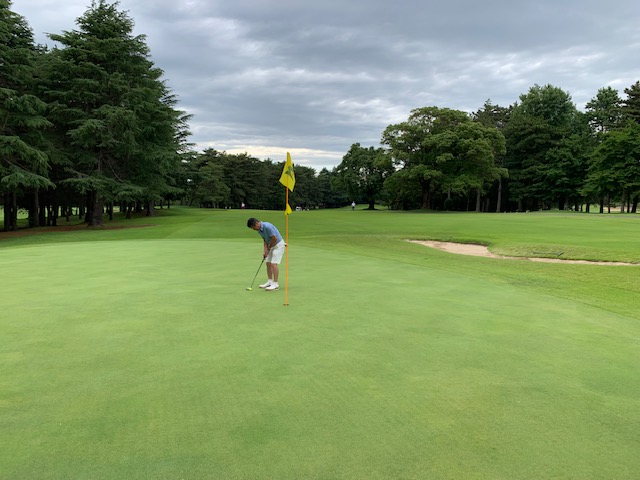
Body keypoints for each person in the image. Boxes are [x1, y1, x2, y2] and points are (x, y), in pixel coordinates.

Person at [246, 217, 285, 291]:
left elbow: (274, 238)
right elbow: (265, 240)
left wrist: (269, 247)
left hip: (278, 245)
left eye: (253, 227)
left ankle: (275, 284)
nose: (253, 229)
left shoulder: (267, 226)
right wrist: (265, 250)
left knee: (273, 263)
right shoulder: (259, 230)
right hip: (271, 245)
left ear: (256, 223)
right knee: (268, 263)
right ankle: (270, 282)